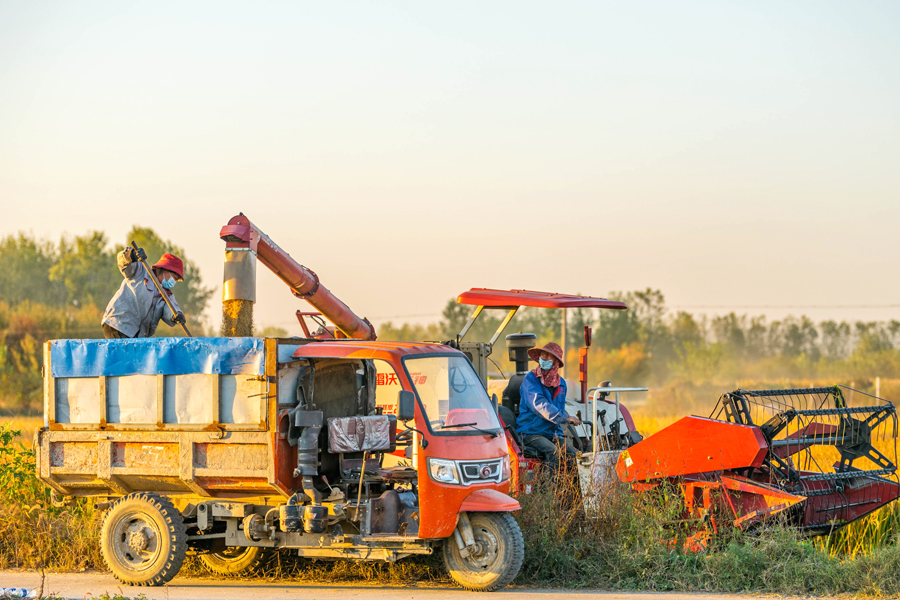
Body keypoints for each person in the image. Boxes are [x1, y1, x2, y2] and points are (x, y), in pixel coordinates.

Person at [515, 341, 581, 477]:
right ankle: (548, 495)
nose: (544, 358)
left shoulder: (561, 384)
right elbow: (539, 405)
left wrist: (558, 435)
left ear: (556, 362)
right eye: (542, 354)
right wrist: (566, 418)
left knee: (576, 456)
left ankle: (573, 496)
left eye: (548, 355)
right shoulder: (531, 379)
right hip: (530, 433)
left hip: (551, 434)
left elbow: (560, 408)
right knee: (554, 452)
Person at [101, 246, 187, 339]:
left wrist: (176, 316)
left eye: (176, 280)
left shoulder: (166, 296)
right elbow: (124, 263)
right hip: (118, 324)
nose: (173, 281)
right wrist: (132, 255)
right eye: (174, 277)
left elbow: (171, 309)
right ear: (164, 269)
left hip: (136, 335)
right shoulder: (140, 271)